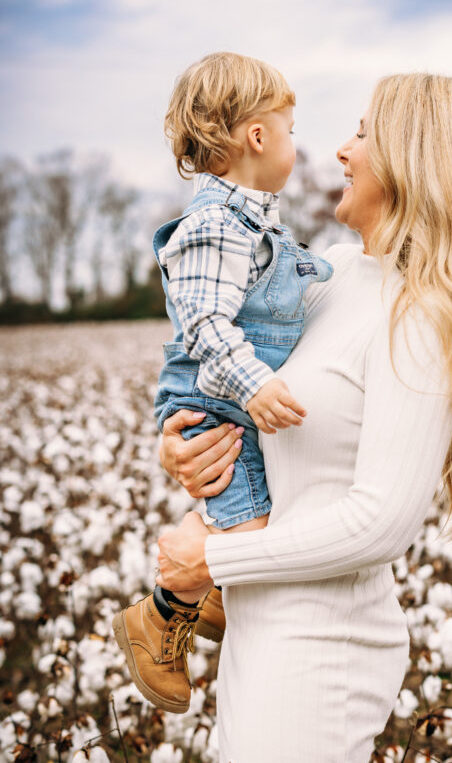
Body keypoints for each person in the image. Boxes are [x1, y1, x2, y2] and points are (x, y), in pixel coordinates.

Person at [156, 73, 452, 763]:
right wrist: (182, 447)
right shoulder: (333, 282)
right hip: (266, 633)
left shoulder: (423, 313)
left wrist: (211, 556)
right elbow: (235, 397)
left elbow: (380, 521)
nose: (339, 149)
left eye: (363, 133)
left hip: (321, 650)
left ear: (413, 162)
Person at [112, 52, 333, 715]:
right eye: (290, 130)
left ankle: (205, 596)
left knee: (246, 515)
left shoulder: (256, 222)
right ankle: (160, 618)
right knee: (251, 529)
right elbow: (204, 324)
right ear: (258, 137)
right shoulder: (214, 224)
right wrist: (255, 387)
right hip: (216, 402)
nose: (296, 144)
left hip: (231, 402)